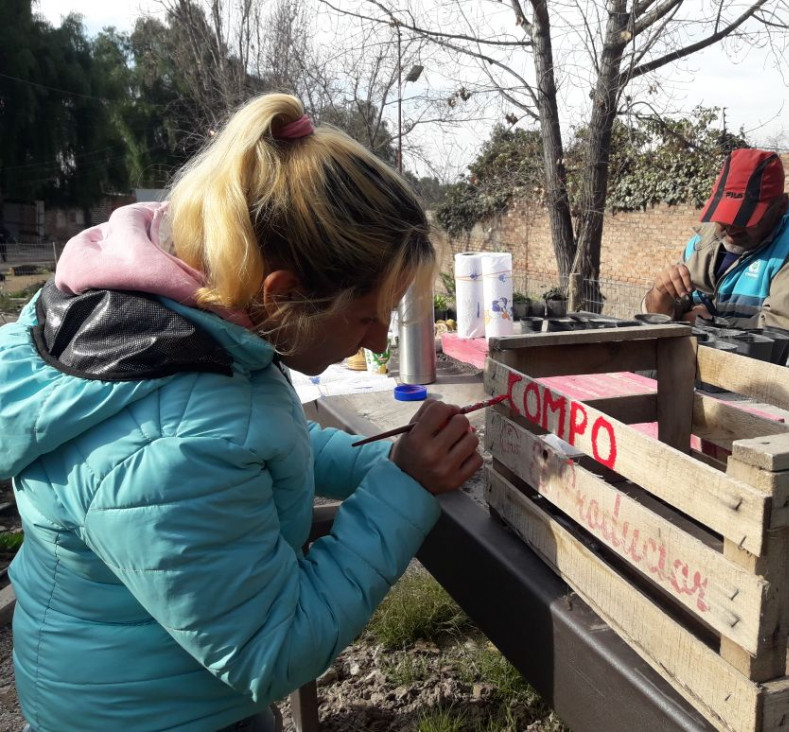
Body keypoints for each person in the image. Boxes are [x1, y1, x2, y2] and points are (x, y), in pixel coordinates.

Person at [0, 93, 483, 731]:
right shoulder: (169, 442)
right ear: (283, 295)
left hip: (163, 687)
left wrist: (386, 460)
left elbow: (266, 441)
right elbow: (272, 647)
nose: (374, 342)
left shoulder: (185, 326)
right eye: (367, 317)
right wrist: (404, 488)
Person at [642, 148, 789, 365]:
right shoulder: (706, 239)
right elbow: (671, 313)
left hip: (779, 389)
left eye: (747, 217)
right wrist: (659, 296)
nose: (732, 228)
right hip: (711, 378)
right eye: (725, 215)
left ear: (780, 206)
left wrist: (707, 325)